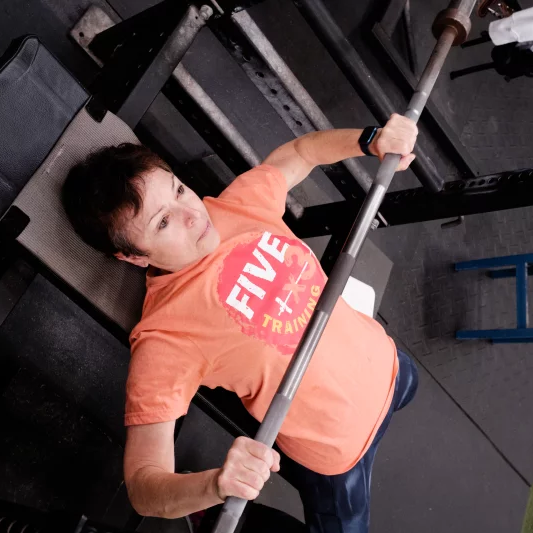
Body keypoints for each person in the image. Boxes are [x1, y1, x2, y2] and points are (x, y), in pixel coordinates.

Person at [61, 114, 421, 533]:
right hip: (337, 459)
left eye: (178, 189)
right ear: (134, 257)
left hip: (392, 368)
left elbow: (301, 152)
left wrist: (370, 138)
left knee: (412, 388)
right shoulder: (165, 336)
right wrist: (215, 484)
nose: (192, 215)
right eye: (162, 222)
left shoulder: (234, 204)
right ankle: (210, 516)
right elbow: (143, 485)